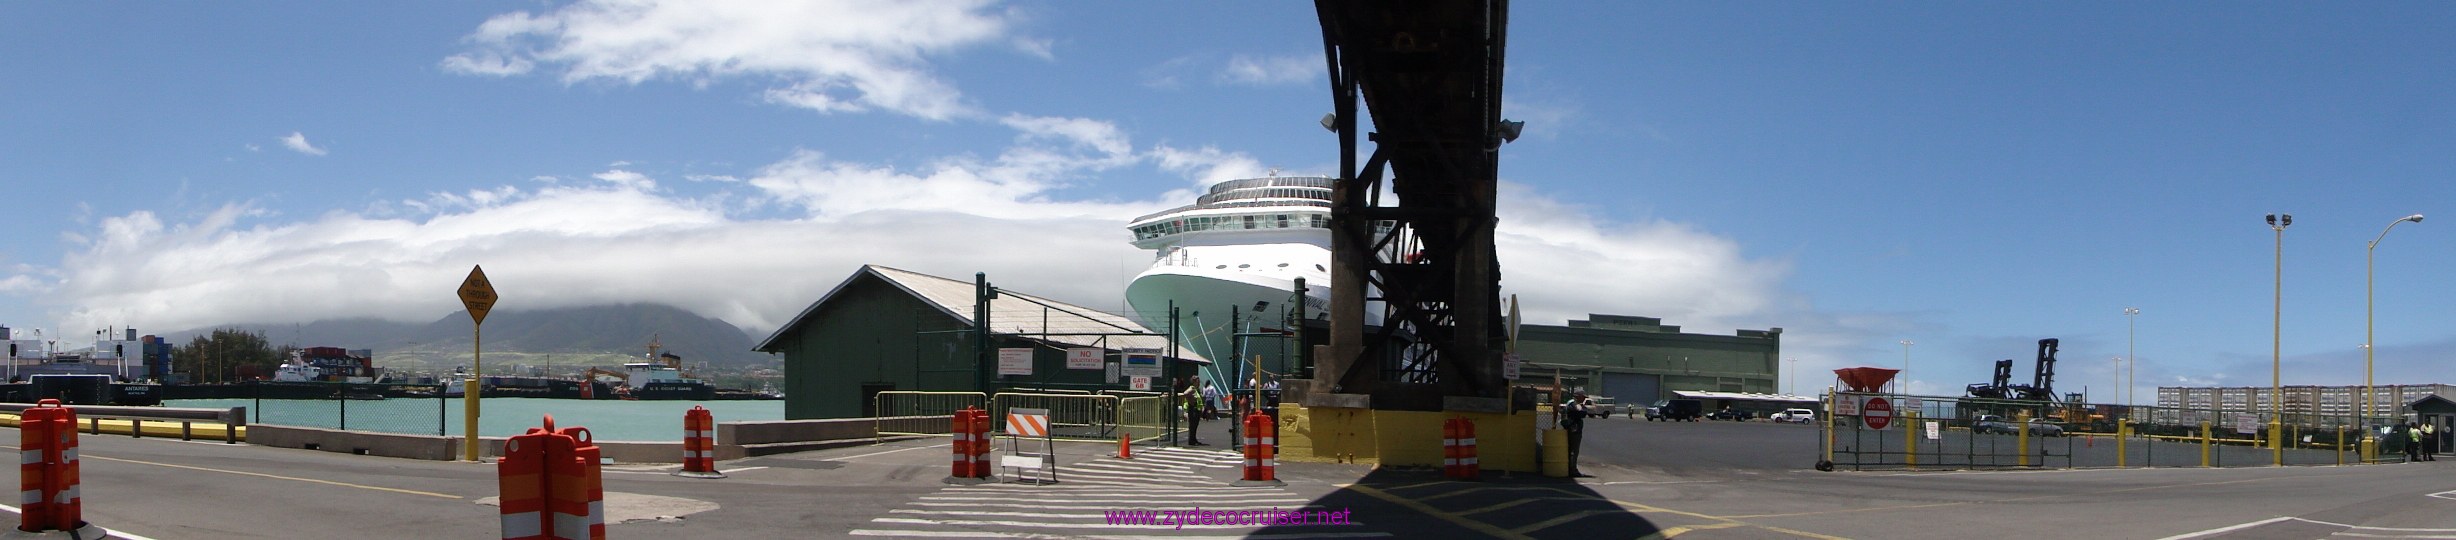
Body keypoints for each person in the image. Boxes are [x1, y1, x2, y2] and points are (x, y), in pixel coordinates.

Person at [1560, 393, 1590, 476]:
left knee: (1570, 449)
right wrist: (1583, 408)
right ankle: (1572, 470)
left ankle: (1569, 468)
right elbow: (1582, 412)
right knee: (1574, 450)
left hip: (1569, 427)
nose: (1584, 399)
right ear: (1578, 396)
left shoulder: (1570, 403)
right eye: (1583, 397)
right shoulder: (1574, 404)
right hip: (1574, 429)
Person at [1181, 377, 1207, 446]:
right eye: (1197, 382)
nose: (1199, 383)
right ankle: (1191, 441)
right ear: (1194, 382)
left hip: (1196, 409)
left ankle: (1194, 439)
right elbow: (1185, 393)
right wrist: (1190, 401)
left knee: (1195, 426)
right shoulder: (1192, 388)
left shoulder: (1196, 389)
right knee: (1192, 426)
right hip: (1193, 409)